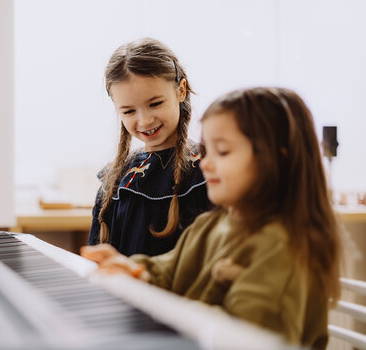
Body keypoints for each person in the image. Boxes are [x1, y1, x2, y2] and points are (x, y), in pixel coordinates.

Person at [82, 87, 342, 349]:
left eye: (224, 152)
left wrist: (165, 310)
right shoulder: (211, 225)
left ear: (277, 159)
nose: (205, 163)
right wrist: (139, 272)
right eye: (207, 150)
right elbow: (169, 270)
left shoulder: (282, 245)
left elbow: (246, 335)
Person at [88, 37, 212, 257]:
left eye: (155, 104)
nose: (144, 121)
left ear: (181, 90)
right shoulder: (113, 180)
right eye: (128, 111)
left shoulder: (210, 169)